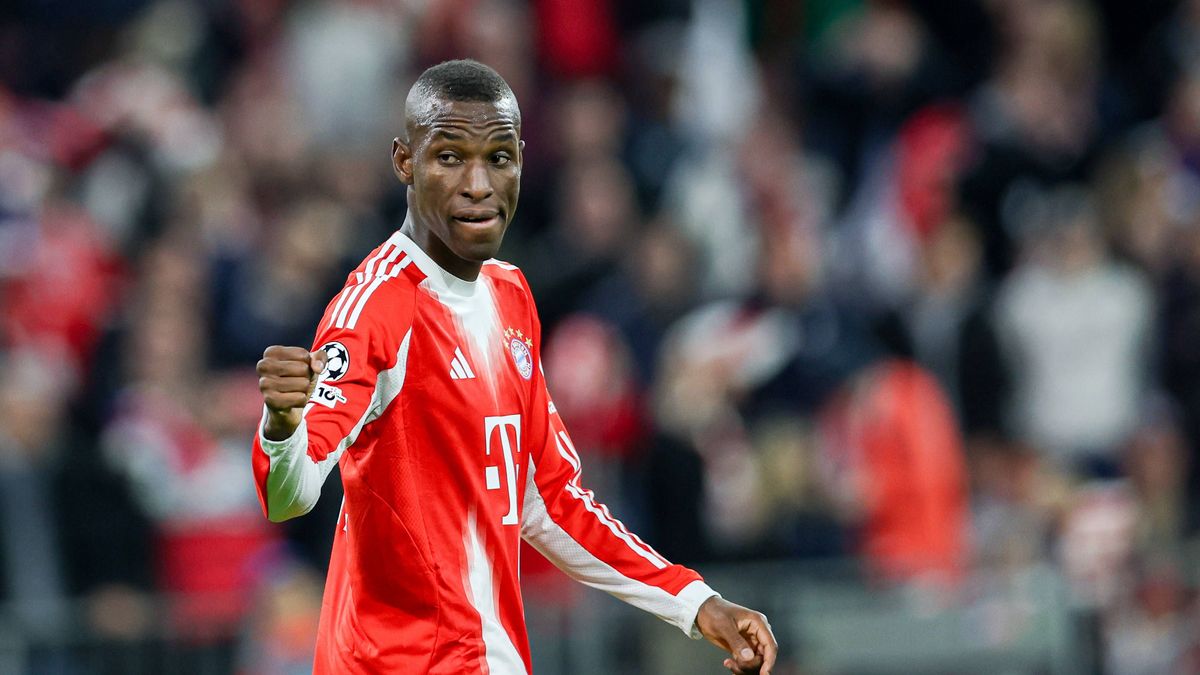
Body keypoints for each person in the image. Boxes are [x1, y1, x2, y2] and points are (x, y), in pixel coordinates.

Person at [250, 59, 778, 674]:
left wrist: (695, 602)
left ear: (522, 161)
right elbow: (291, 495)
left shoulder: (510, 296)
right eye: (449, 158)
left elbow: (550, 498)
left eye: (498, 158)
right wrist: (282, 426)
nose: (478, 184)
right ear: (404, 162)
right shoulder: (377, 309)